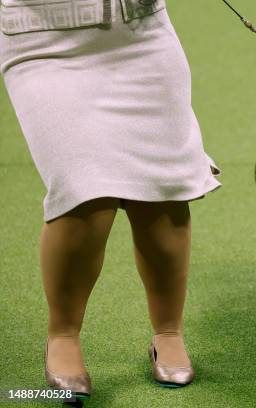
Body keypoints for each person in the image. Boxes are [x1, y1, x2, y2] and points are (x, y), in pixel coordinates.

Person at [0, 0, 220, 400]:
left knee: (163, 194)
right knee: (85, 194)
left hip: (140, 32)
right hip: (43, 41)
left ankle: (168, 331)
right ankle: (63, 334)